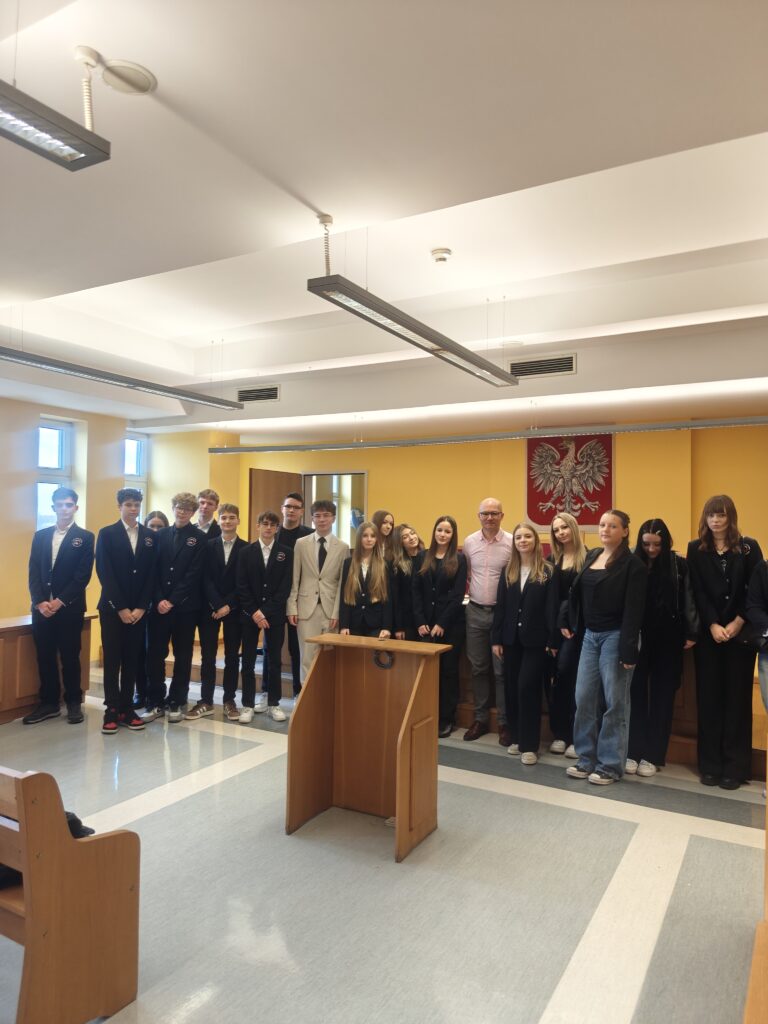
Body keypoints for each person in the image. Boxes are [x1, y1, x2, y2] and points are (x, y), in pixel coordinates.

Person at [562, 509, 647, 785]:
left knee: (615, 702)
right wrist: (568, 619)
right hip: (590, 636)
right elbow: (577, 593)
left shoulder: (633, 565)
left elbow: (634, 610)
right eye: (602, 525)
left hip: (616, 637)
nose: (605, 530)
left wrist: (629, 648)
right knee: (584, 698)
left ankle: (610, 765)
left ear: (625, 531)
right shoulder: (592, 556)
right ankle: (586, 758)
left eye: (612, 526)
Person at [686, 495, 762, 789]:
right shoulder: (696, 549)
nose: (716, 520)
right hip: (710, 635)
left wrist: (738, 621)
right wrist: (713, 624)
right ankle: (710, 765)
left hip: (740, 635)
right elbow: (697, 591)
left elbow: (755, 589)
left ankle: (735, 767)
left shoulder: (748, 547)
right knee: (709, 699)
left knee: (737, 700)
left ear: (731, 517)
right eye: (711, 515)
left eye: (721, 515)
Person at [626, 519, 699, 776]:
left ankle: (653, 755)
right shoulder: (632, 562)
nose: (652, 549)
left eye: (657, 544)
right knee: (634, 693)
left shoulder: (678, 564)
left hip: (669, 637)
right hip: (637, 636)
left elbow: (689, 597)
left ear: (665, 542)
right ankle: (632, 751)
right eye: (647, 544)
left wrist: (692, 630)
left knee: (663, 695)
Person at [24, 487, 95, 725]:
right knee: (44, 656)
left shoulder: (85, 537)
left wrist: (59, 601)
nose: (65, 509)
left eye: (69, 504)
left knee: (70, 657)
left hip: (69, 608)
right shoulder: (40, 536)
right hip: (42, 609)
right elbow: (33, 572)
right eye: (60, 505)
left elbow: (82, 576)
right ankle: (49, 703)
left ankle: (73, 702)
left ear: (76, 507)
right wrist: (39, 602)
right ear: (53, 507)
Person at [95, 488, 157, 734]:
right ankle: (111, 709)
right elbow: (104, 572)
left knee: (132, 660)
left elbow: (151, 574)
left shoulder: (149, 536)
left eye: (137, 504)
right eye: (129, 504)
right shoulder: (107, 534)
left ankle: (127, 708)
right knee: (112, 660)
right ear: (119, 506)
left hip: (138, 611)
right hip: (112, 609)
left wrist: (142, 606)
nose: (133, 509)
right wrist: (121, 607)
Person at [492, 523, 554, 764]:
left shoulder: (547, 571)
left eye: (528, 536)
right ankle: (517, 737)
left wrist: (552, 639)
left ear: (536, 540)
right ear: (514, 542)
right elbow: (501, 607)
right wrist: (496, 639)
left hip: (536, 641)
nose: (523, 540)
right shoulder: (508, 570)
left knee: (527, 687)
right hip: (511, 639)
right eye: (518, 537)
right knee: (512, 688)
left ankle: (530, 745)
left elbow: (550, 608)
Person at [144, 492, 205, 722]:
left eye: (188, 509)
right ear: (173, 508)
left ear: (193, 512)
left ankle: (177, 700)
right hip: (158, 607)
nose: (182, 512)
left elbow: (194, 574)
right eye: (179, 507)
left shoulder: (199, 538)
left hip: (185, 608)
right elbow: (152, 570)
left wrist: (173, 600)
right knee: (155, 655)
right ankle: (155, 701)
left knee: (183, 655)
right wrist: (159, 599)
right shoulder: (159, 535)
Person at [186, 503, 247, 722]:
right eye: (224, 518)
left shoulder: (246, 548)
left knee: (232, 657)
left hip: (234, 610)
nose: (227, 521)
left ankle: (229, 700)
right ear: (218, 521)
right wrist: (217, 604)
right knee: (208, 656)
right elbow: (204, 578)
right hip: (210, 609)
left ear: (238, 520)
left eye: (232, 517)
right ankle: (206, 701)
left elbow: (244, 582)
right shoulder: (207, 545)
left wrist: (228, 605)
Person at [462, 497, 514, 746]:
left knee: (501, 671)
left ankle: (504, 722)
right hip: (474, 612)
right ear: (479, 516)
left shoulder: (512, 542)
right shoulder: (469, 542)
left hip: (501, 615)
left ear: (502, 516)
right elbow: (468, 573)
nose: (490, 517)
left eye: (494, 513)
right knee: (478, 668)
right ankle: (481, 719)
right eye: (485, 513)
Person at [413, 515, 467, 737]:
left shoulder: (459, 559)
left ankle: (446, 719)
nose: (442, 534)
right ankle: (427, 715)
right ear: (434, 532)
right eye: (439, 530)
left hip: (450, 625)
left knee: (448, 671)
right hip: (425, 624)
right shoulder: (422, 557)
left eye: (447, 531)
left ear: (453, 535)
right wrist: (420, 621)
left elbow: (458, 595)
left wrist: (441, 623)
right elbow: (415, 592)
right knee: (426, 673)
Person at [237, 511, 293, 722]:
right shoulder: (245, 552)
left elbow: (285, 587)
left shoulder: (286, 552)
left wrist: (266, 611)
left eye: (272, 525)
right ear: (258, 526)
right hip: (249, 615)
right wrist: (255, 612)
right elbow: (241, 585)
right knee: (248, 661)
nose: (268, 528)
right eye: (265, 524)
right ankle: (247, 704)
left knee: (274, 660)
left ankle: (273, 703)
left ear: (277, 528)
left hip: (274, 615)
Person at [287, 500, 349, 681]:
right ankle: (307, 695)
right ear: (312, 519)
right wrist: (292, 607)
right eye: (318, 516)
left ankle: (327, 694)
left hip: (331, 611)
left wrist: (337, 612)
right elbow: (294, 577)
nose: (322, 519)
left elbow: (342, 584)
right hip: (306, 609)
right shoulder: (301, 544)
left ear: (333, 518)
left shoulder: (343, 547)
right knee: (307, 656)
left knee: (329, 657)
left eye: (326, 515)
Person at [547, 513, 588, 757]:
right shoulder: (552, 560)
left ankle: (575, 736)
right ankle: (560, 734)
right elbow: (550, 600)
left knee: (577, 682)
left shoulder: (589, 558)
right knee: (559, 680)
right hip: (555, 630)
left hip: (579, 630)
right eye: (556, 530)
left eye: (564, 527)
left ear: (573, 527)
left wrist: (569, 620)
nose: (561, 532)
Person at [275, 492, 313, 696]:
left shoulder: (310, 536)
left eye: (296, 507)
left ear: (301, 511)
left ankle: (300, 691)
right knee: (272, 647)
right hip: (274, 599)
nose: (291, 510)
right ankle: (269, 692)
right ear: (282, 509)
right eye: (288, 506)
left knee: (297, 648)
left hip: (299, 599)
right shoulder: (272, 533)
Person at [132, 510, 169, 708]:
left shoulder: (167, 547)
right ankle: (140, 692)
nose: (155, 530)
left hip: (159, 608)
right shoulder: (140, 546)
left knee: (156, 654)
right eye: (151, 526)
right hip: (138, 606)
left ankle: (156, 693)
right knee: (138, 652)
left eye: (159, 527)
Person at [339, 522, 393, 638]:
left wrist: (386, 627)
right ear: (359, 538)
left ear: (377, 539)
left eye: (373, 536)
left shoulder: (384, 564)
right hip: (353, 624)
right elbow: (345, 596)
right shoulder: (348, 563)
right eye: (365, 536)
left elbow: (387, 598)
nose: (369, 539)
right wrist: (344, 625)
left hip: (376, 625)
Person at [392, 523, 423, 640]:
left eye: (412, 533)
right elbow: (396, 598)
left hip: (425, 619)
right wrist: (399, 627)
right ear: (400, 543)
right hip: (407, 620)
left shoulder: (427, 558)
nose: (411, 538)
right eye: (405, 537)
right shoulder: (397, 565)